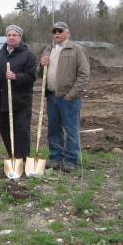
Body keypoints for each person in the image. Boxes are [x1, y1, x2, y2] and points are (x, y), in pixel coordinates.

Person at [39, 22, 90, 172]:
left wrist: (71, 94)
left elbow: (84, 74)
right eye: (54, 31)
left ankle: (71, 160)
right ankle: (55, 157)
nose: (57, 33)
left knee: (71, 130)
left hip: (68, 98)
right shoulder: (48, 49)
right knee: (54, 130)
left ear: (67, 33)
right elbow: (39, 74)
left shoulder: (76, 49)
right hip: (51, 96)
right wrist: (41, 65)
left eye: (60, 31)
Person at [0, 25, 37, 160]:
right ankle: (12, 156)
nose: (11, 37)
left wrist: (16, 77)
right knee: (5, 130)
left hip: (21, 101)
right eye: (9, 35)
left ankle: (23, 159)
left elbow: (31, 76)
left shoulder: (28, 55)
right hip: (2, 100)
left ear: (20, 37)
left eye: (15, 35)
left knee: (21, 131)